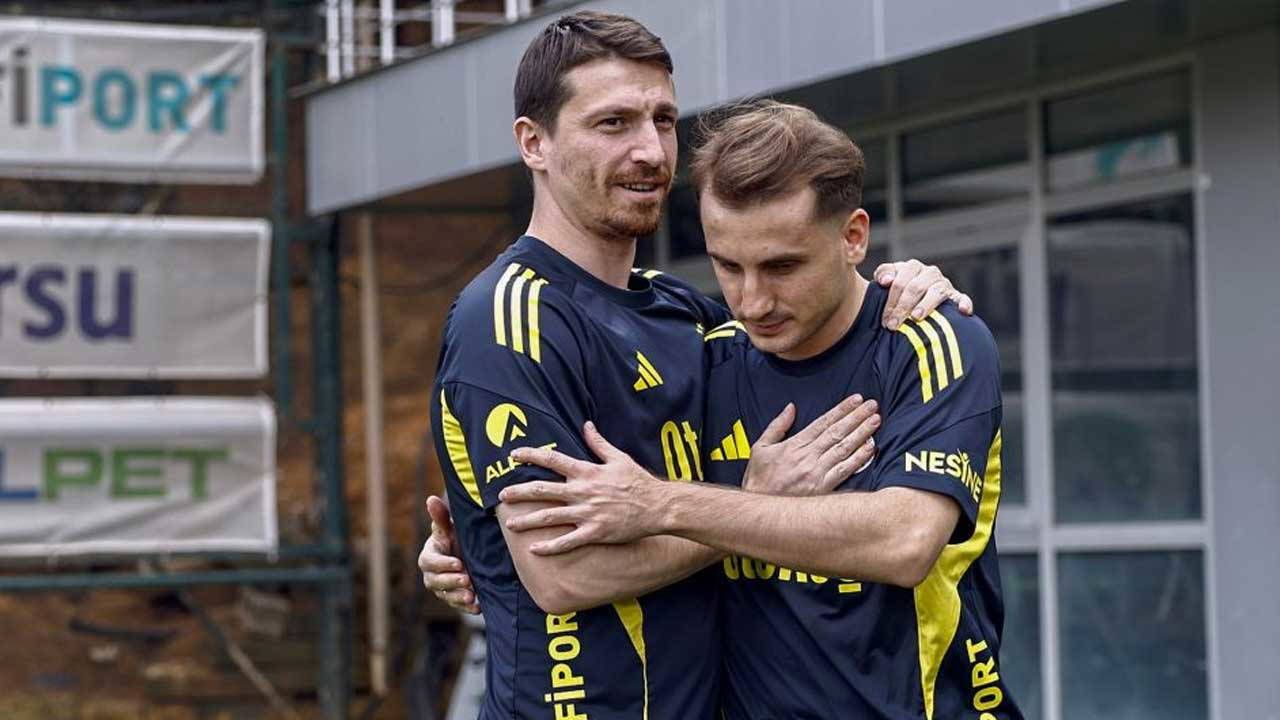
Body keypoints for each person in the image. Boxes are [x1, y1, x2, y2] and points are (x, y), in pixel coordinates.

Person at [429, 11, 969, 720]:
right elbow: (563, 575)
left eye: (662, 120)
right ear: (534, 142)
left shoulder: (688, 314)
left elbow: (824, 366)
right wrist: (753, 498)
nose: (650, 151)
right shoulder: (508, 317)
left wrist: (904, 284)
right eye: (613, 123)